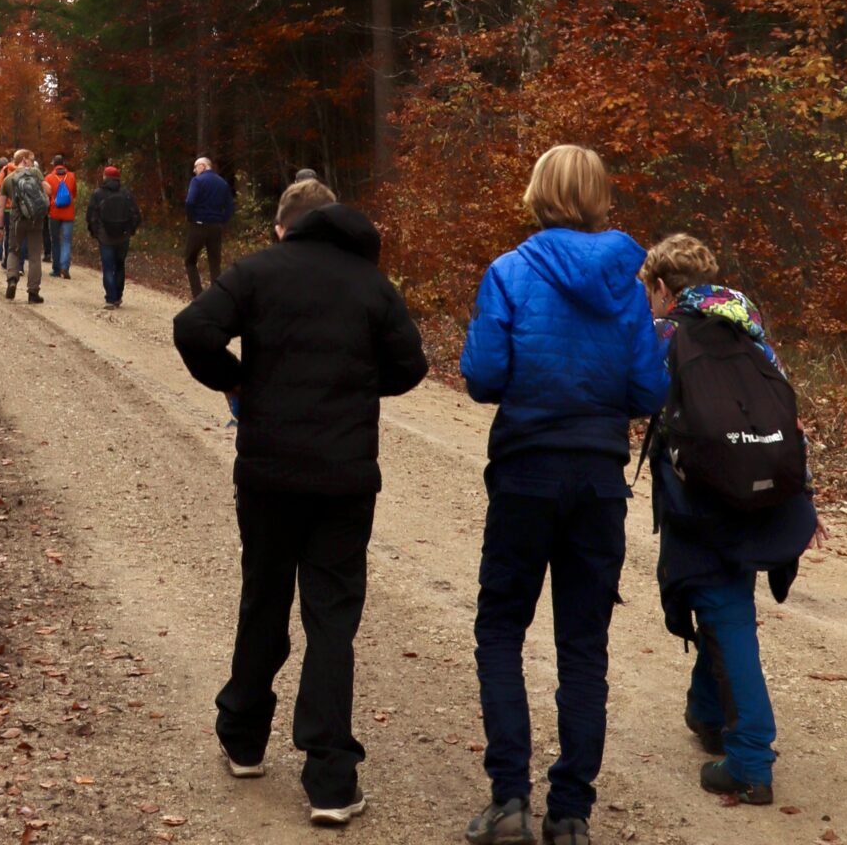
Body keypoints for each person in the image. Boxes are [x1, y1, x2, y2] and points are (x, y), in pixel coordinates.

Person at [172, 176, 428, 829]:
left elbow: (193, 326)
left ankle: (245, 737)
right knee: (332, 618)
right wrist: (362, 381)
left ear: (283, 227)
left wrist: (237, 381)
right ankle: (330, 779)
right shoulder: (372, 286)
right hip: (344, 480)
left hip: (269, 473)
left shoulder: (259, 272)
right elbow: (410, 365)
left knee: (263, 596)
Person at [459, 144, 671, 845]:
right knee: (583, 646)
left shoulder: (510, 271)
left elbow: (485, 375)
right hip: (598, 479)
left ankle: (509, 800)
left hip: (525, 470)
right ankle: (572, 813)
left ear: (538, 193)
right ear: (601, 196)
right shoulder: (628, 283)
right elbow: (647, 389)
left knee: (500, 629)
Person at [641, 233, 817, 809]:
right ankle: (707, 713)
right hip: (762, 488)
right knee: (723, 598)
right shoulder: (749, 322)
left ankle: (749, 759)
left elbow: (641, 395)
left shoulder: (669, 331)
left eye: (649, 291)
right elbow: (782, 402)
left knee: (723, 607)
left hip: (705, 497)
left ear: (663, 286)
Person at [86, 161, 142, 307]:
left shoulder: (98, 193)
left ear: (105, 177)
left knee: (108, 267)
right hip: (123, 236)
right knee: (120, 265)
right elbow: (136, 214)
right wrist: (131, 230)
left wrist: (96, 232)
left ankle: (110, 298)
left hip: (105, 237)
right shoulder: (126, 193)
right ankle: (118, 296)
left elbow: (91, 215)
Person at [0, 149, 49, 303]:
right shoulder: (35, 172)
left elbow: (1, 207)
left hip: (16, 219)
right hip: (35, 219)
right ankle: (33, 292)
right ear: (25, 159)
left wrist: (0, 228)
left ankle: (12, 280)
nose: (33, 162)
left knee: (13, 251)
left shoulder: (8, 179)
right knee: (34, 256)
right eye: (32, 159)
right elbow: (49, 190)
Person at [183, 153, 234, 296]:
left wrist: (191, 217)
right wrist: (222, 220)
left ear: (203, 166)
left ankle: (198, 295)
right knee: (214, 263)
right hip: (216, 226)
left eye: (195, 167)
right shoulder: (223, 183)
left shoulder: (197, 181)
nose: (194, 170)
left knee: (190, 260)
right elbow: (230, 206)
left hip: (198, 225)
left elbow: (190, 202)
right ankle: (216, 297)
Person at [45, 153, 78, 279]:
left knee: (55, 241)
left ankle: (56, 269)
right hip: (68, 213)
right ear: (63, 164)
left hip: (54, 212)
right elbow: (74, 193)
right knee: (66, 241)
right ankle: (65, 266)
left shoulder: (48, 177)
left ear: (54, 164)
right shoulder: (71, 176)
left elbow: (46, 195)